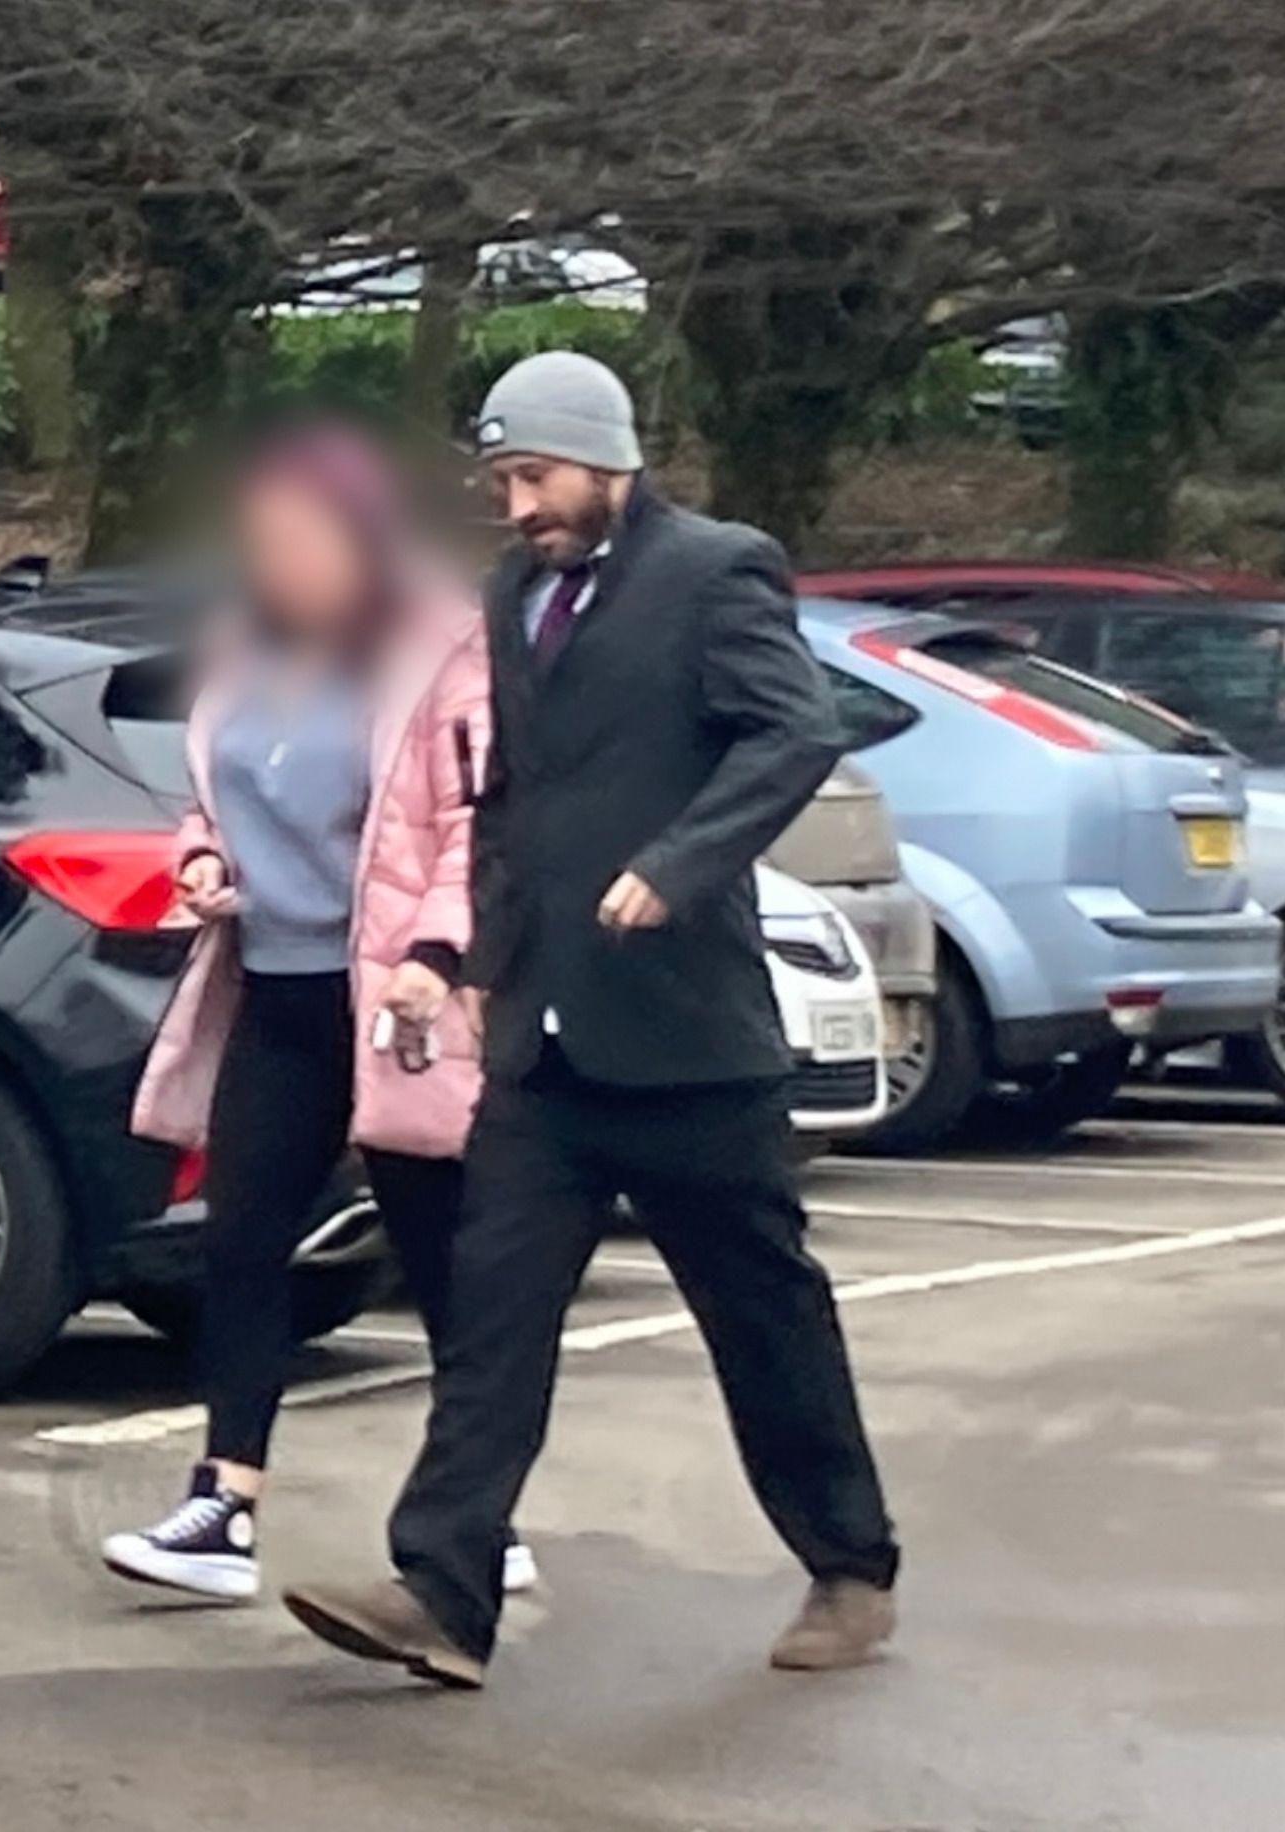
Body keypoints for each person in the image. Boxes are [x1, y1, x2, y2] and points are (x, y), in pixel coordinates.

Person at [281, 353, 901, 1688]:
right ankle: (442, 1596)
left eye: (538, 476)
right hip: (543, 1050)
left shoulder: (716, 570)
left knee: (765, 1317)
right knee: (492, 1321)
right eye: (503, 480)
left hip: (688, 1050)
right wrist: (454, 951)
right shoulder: (513, 597)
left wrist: (678, 868)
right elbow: (512, 801)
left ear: (609, 458)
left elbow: (790, 736)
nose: (519, 504)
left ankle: (851, 1567)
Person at [102, 424, 511, 1604]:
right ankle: (224, 1501)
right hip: (271, 987)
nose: (276, 561)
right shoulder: (247, 650)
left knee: (439, 1252)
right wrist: (198, 862)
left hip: (393, 998)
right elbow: (210, 794)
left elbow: (472, 828)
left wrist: (438, 953)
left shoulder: (438, 653)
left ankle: (478, 1498)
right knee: (240, 1240)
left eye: (300, 538)